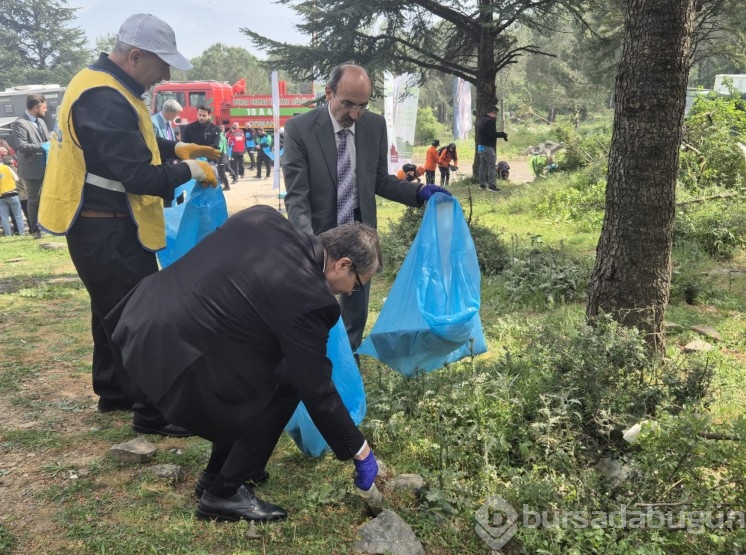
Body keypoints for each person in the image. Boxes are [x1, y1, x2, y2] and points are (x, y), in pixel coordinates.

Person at [107, 205, 381, 522]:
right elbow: (316, 388)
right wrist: (359, 450)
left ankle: (216, 474)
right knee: (289, 382)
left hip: (144, 314)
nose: (351, 292)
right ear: (342, 264)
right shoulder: (310, 297)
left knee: (267, 366)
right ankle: (223, 493)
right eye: (358, 284)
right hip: (181, 358)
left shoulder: (263, 217)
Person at [37, 13, 220, 434]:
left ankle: (113, 392)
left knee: (110, 310)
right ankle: (154, 413)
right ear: (135, 56)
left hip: (97, 224)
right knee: (137, 318)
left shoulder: (102, 84)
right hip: (107, 227)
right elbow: (139, 176)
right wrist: (190, 170)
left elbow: (129, 139)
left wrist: (176, 146)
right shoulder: (105, 97)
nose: (166, 74)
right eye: (162, 64)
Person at [283, 62, 450, 352]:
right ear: (329, 93)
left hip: (361, 236)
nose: (355, 114)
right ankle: (314, 361)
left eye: (362, 105)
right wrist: (306, 242)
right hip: (320, 235)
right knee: (313, 307)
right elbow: (297, 195)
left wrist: (420, 192)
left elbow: (379, 181)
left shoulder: (373, 126)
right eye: (348, 104)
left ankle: (349, 360)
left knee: (356, 306)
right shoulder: (300, 128)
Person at [12, 93, 49, 238]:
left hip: (46, 167)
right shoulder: (20, 123)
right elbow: (21, 146)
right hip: (32, 169)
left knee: (46, 198)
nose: (46, 110)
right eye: (44, 107)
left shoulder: (42, 122)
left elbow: (47, 140)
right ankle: (35, 229)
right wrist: (44, 145)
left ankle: (46, 225)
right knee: (34, 199)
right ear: (36, 107)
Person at [476, 106, 508, 192]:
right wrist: (502, 134)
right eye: (495, 113)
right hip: (488, 147)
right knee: (491, 166)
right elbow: (492, 134)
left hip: (481, 146)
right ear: (491, 112)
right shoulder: (489, 122)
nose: (496, 115)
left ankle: (482, 184)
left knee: (482, 166)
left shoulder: (481, 121)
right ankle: (492, 185)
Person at [0, 148, 26, 237]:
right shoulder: (6, 167)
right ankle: (22, 233)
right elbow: (17, 178)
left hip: (1, 197)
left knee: (4, 218)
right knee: (18, 216)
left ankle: (8, 235)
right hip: (12, 194)